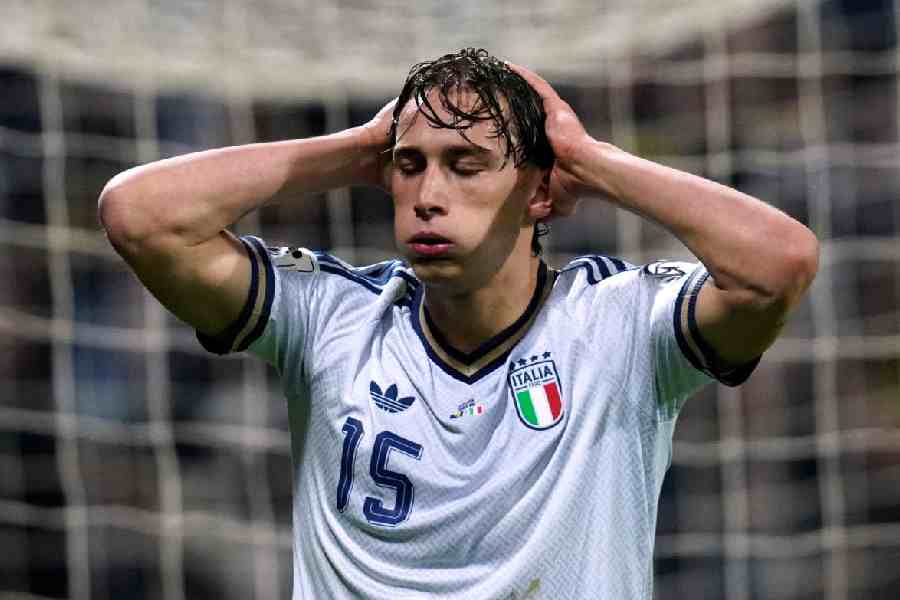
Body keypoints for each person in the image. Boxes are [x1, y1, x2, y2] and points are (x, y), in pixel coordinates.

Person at [99, 48, 818, 599]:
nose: (427, 195)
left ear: (539, 192)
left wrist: (590, 160)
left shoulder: (620, 327)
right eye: (410, 165)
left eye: (466, 165)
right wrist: (360, 148)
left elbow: (779, 264)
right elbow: (140, 216)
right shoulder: (332, 317)